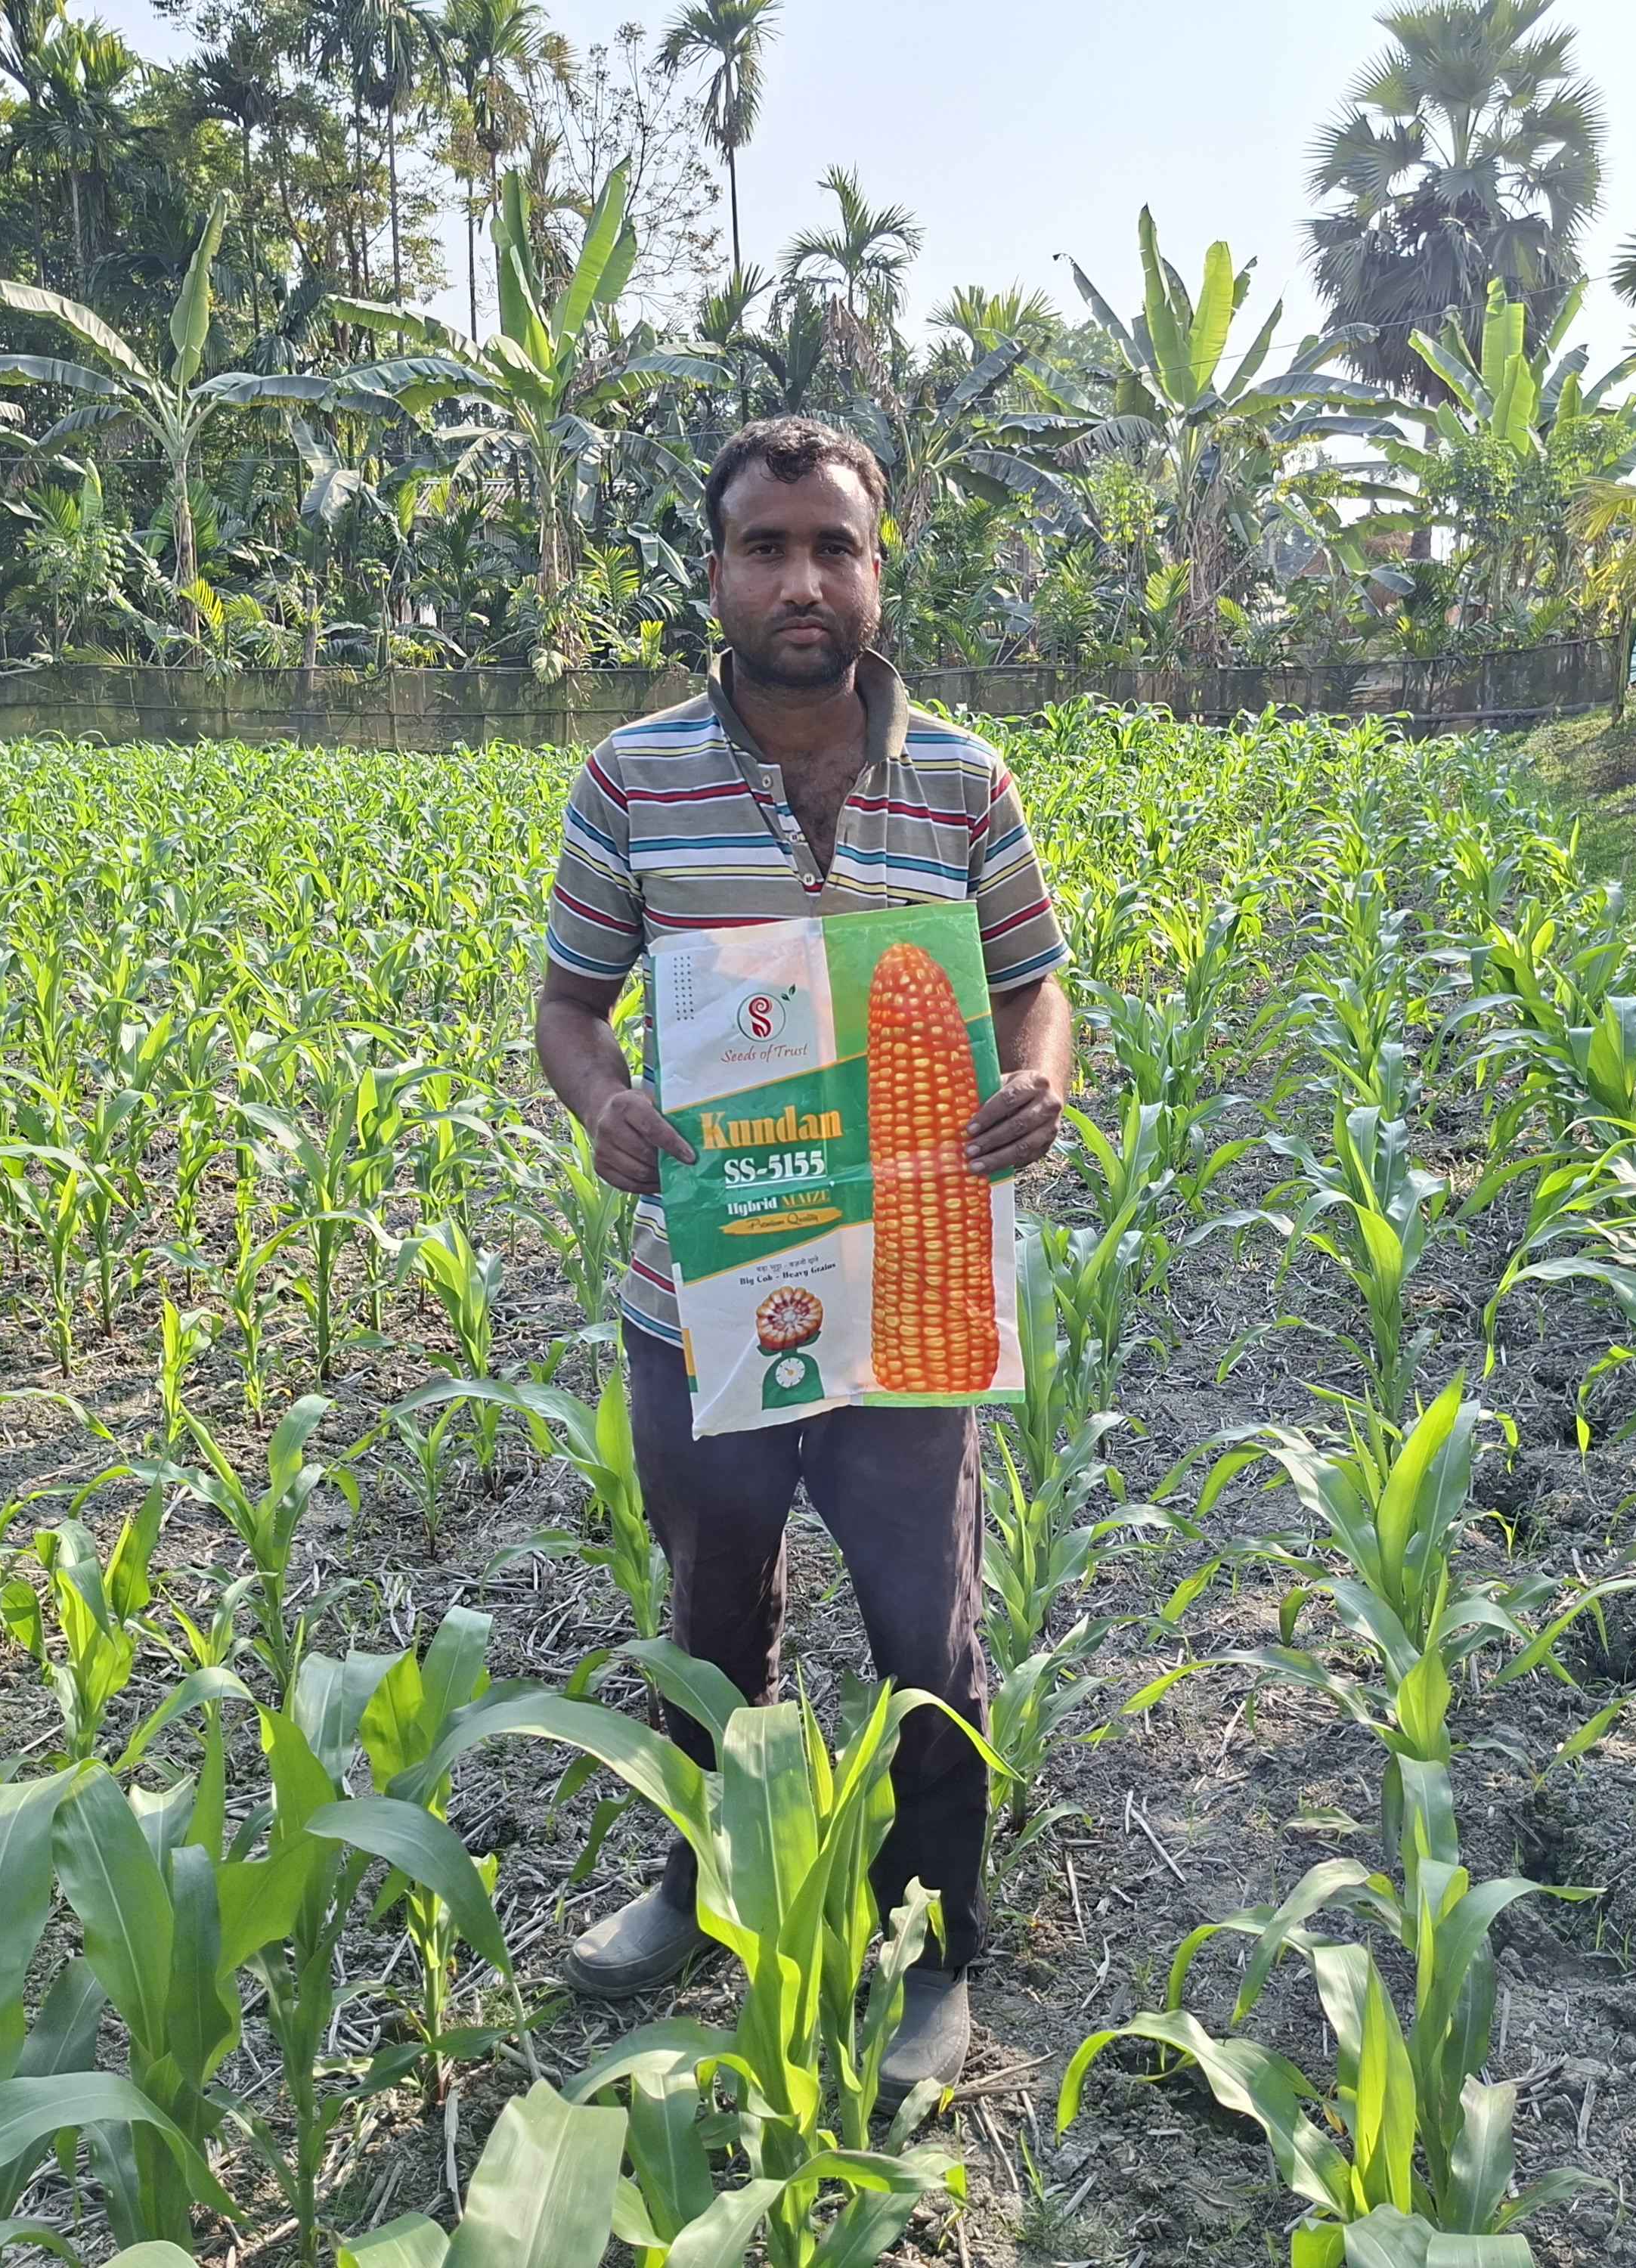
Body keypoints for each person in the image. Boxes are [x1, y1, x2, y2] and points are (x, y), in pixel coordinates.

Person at [531, 415, 1074, 2090]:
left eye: (833, 547)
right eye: (765, 547)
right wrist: (607, 1104)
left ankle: (932, 1946)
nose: (800, 580)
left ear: (875, 573)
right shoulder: (632, 780)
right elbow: (568, 1010)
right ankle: (702, 1885)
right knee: (715, 1619)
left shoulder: (965, 781)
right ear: (715, 572)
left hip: (912, 1285)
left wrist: (1039, 1079)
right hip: (706, 1294)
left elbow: (1032, 983)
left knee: (927, 1634)